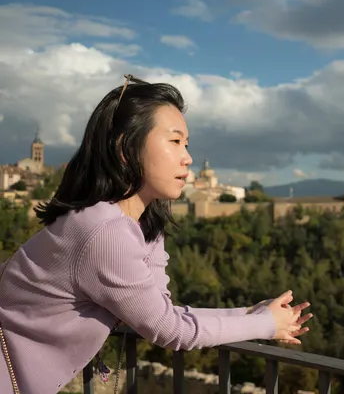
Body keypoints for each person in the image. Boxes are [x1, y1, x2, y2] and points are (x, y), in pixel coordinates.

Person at [0, 75, 312, 394]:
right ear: (126, 149)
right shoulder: (104, 232)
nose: (187, 157)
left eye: (186, 144)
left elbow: (160, 309)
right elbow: (170, 329)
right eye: (175, 141)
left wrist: (247, 313)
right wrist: (266, 324)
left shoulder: (119, 222)